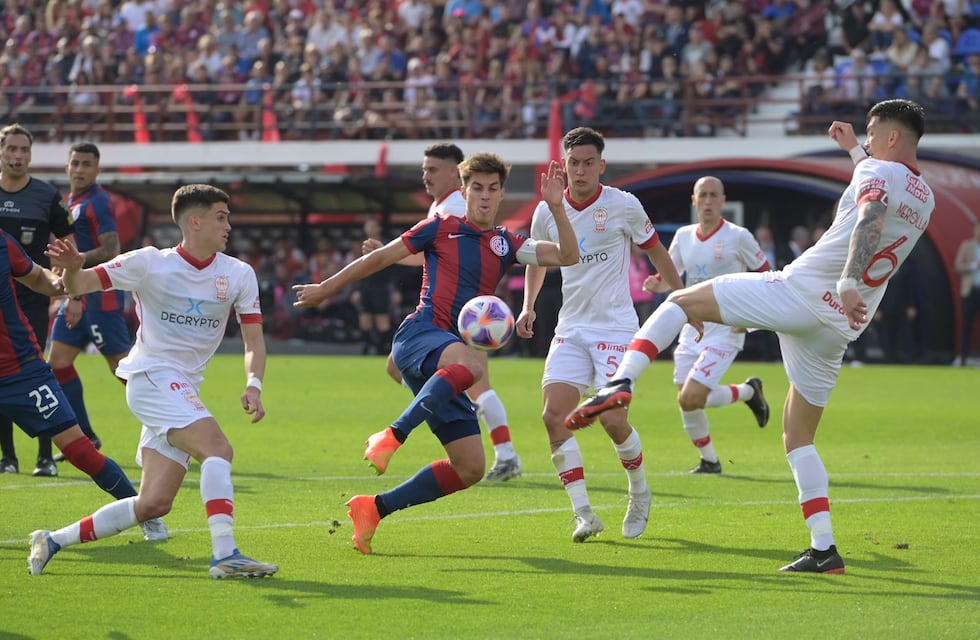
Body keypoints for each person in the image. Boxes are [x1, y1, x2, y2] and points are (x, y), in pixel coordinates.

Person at [567, 99, 934, 573]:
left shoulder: (877, 174)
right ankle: (824, 549)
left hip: (802, 292)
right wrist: (852, 151)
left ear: (891, 137)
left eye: (871, 132)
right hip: (838, 325)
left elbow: (870, 213)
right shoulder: (924, 196)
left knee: (681, 301)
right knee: (798, 436)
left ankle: (620, 382)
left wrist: (846, 278)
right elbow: (879, 183)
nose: (865, 139)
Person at [294, 153, 578, 554]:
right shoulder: (440, 226)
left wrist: (557, 207)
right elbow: (380, 257)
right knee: (471, 365)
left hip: (450, 363)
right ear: (464, 191)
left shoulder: (507, 243)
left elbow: (568, 256)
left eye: (492, 188)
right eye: (477, 188)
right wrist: (325, 288)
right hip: (420, 336)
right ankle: (392, 435)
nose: (484, 196)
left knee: (471, 467)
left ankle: (373, 508)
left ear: (501, 194)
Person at [34, 184, 277, 579]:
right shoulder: (149, 262)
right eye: (221, 217)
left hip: (182, 389)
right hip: (151, 377)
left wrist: (254, 384)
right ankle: (225, 554)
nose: (228, 226)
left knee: (153, 504)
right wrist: (75, 267)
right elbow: (79, 285)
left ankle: (53, 540)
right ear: (194, 222)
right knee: (217, 448)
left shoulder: (238, 274)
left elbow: (254, 340)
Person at [516, 127, 684, 543]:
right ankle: (584, 514)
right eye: (574, 163)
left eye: (589, 162)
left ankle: (639, 491)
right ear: (564, 164)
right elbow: (537, 259)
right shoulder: (547, 210)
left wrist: (684, 299)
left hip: (616, 327)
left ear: (602, 165)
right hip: (571, 328)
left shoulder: (623, 205)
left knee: (612, 419)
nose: (581, 170)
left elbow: (655, 249)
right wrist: (528, 305)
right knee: (553, 416)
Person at [365, 143, 524, 482]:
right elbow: (433, 255)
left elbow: (454, 253)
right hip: (455, 314)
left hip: (465, 317)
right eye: (424, 169)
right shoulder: (441, 206)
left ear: (455, 173)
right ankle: (448, 411)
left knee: (478, 384)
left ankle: (506, 452)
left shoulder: (454, 206)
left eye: (432, 169)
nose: (425, 176)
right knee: (397, 366)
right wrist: (389, 253)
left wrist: (389, 255)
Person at [652, 176, 772, 474]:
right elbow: (671, 275)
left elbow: (767, 278)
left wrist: (751, 321)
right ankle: (710, 460)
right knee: (687, 401)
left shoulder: (738, 236)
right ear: (694, 201)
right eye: (702, 195)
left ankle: (748, 394)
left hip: (725, 329)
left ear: (723, 201)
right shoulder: (683, 236)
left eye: (713, 195)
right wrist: (657, 283)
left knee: (691, 397)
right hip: (691, 327)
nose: (707, 200)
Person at [47, 143, 131, 469]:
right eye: (76, 163)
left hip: (100, 300)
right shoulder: (70, 203)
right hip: (76, 295)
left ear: (97, 170)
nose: (80, 169)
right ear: (67, 167)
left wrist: (78, 261)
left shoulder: (98, 202)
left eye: (87, 164)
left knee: (123, 370)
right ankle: (85, 436)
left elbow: (112, 248)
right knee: (57, 362)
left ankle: (174, 422)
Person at [0, 123, 75, 477]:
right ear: (1, 151)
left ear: (30, 154)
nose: (17, 156)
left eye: (23, 150)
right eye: (11, 149)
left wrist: (72, 289)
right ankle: (8, 457)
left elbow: (69, 247)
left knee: (38, 372)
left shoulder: (46, 196)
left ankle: (45, 457)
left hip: (32, 298)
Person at [954, 220, 980, 366]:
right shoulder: (967, 246)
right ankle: (963, 357)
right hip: (970, 291)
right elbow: (958, 266)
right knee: (967, 326)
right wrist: (974, 265)